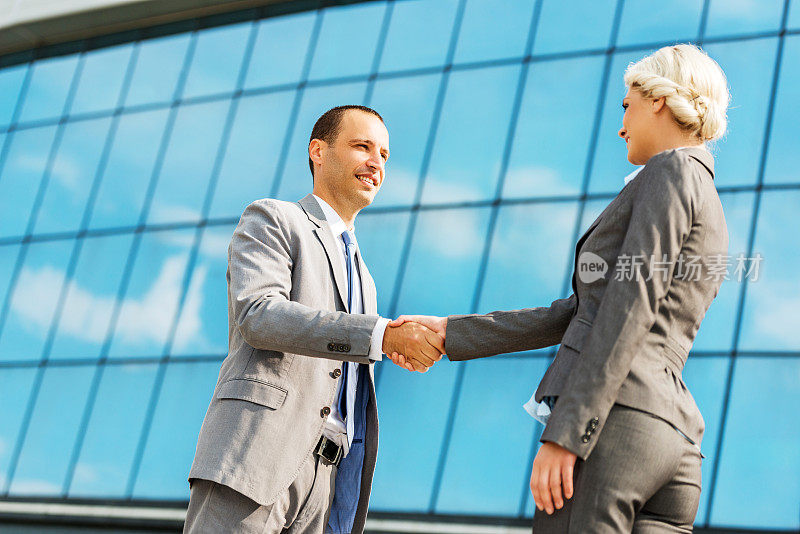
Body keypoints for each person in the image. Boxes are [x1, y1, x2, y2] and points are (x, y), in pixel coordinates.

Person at [390, 44, 730, 532]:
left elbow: (630, 304)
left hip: (617, 425)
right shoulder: (712, 204)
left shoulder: (670, 171)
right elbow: (582, 312)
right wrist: (451, 331)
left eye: (627, 104)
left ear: (658, 100)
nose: (621, 125)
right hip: (671, 443)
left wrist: (569, 432)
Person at [185, 105, 444, 534]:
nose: (376, 162)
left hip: (328, 484)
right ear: (318, 151)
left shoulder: (366, 278)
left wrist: (392, 344)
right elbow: (259, 314)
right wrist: (380, 335)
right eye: (362, 146)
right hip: (257, 457)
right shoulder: (273, 218)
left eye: (384, 154)